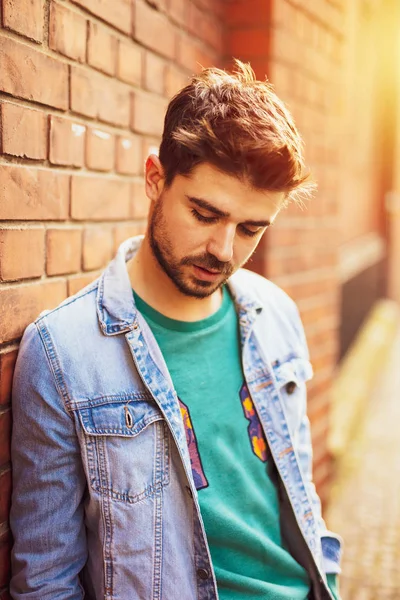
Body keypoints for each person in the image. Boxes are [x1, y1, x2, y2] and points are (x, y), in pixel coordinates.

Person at [10, 61, 342, 599]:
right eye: (205, 213)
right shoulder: (61, 351)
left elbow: (300, 498)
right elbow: (46, 578)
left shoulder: (276, 315)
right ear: (155, 178)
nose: (225, 251)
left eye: (251, 228)